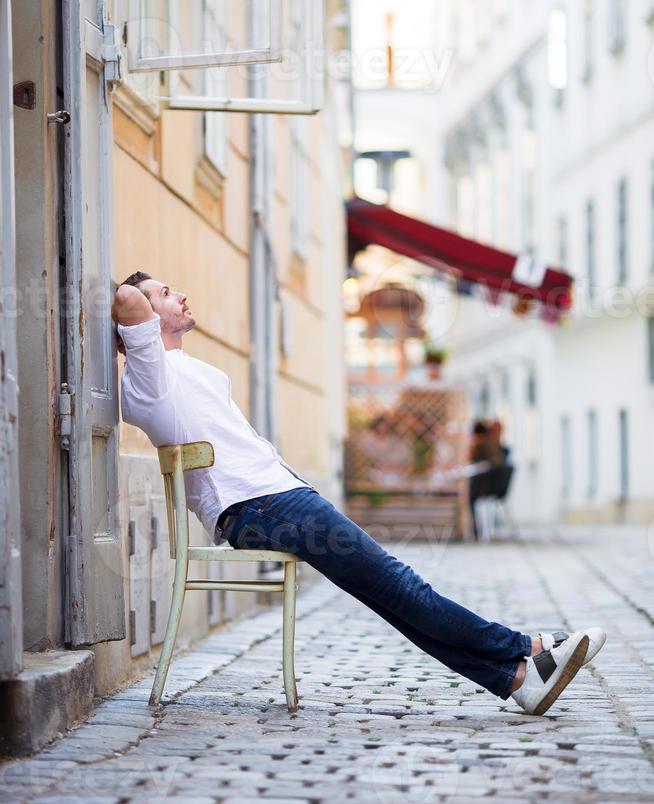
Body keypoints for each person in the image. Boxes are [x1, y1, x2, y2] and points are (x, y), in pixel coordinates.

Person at [111, 273, 607, 716]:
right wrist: (130, 296)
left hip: (277, 500)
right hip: (259, 509)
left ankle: (517, 679)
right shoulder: (148, 381)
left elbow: (137, 302)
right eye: (166, 293)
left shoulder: (187, 369)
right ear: (142, 322)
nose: (180, 294)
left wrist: (154, 302)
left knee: (390, 593)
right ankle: (529, 645)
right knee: (398, 583)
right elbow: (125, 297)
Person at [468, 420, 512, 541]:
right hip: (492, 487)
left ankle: (474, 530)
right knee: (470, 496)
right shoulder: (497, 446)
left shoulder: (483, 445)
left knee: (469, 496)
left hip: (487, 487)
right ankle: (474, 530)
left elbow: (476, 463)